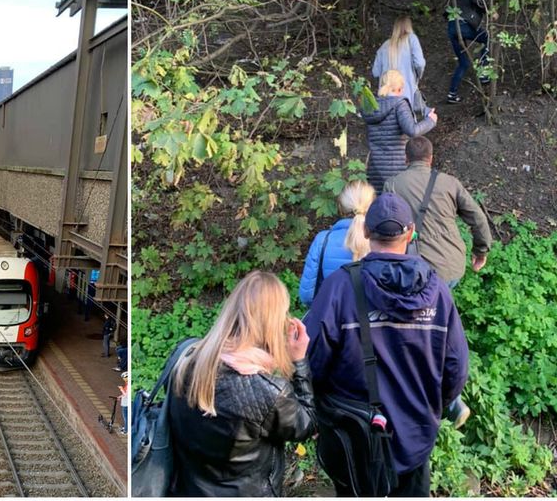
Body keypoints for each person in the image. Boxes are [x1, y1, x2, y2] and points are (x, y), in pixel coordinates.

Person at [303, 193, 470, 497]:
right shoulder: (438, 292)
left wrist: (320, 409)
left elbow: (312, 360)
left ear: (366, 232)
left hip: (355, 437)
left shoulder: (340, 288)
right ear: (410, 232)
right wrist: (435, 405)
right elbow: (456, 367)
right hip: (416, 433)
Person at [168, 271, 316, 497]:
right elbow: (307, 424)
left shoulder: (187, 359)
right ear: (274, 321)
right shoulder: (268, 392)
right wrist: (300, 363)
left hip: (187, 489)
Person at [384, 136, 493, 289]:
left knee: (419, 307)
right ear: (431, 158)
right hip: (452, 265)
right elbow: (478, 218)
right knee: (440, 302)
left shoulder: (392, 185)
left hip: (416, 267)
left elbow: (388, 227)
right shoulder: (450, 182)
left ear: (406, 158)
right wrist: (481, 251)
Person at [298, 180, 376, 305]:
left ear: (340, 207)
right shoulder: (381, 241)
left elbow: (307, 295)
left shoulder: (322, 240)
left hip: (331, 318)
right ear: (373, 206)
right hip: (370, 319)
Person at [362, 69, 437, 193]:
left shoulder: (371, 107)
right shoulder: (399, 104)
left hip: (375, 168)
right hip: (396, 167)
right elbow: (412, 130)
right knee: (398, 207)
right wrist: (430, 120)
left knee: (381, 206)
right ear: (400, 88)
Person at [372, 16, 427, 118]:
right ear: (409, 27)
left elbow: (375, 72)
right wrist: (418, 76)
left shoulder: (385, 45)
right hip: (405, 92)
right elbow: (420, 63)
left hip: (385, 95)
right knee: (407, 123)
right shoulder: (411, 39)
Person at [447, 0, 490, 104]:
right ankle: (484, 72)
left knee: (464, 63)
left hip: (451, 26)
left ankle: (452, 94)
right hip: (463, 24)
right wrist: (487, 10)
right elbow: (477, 0)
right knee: (486, 37)